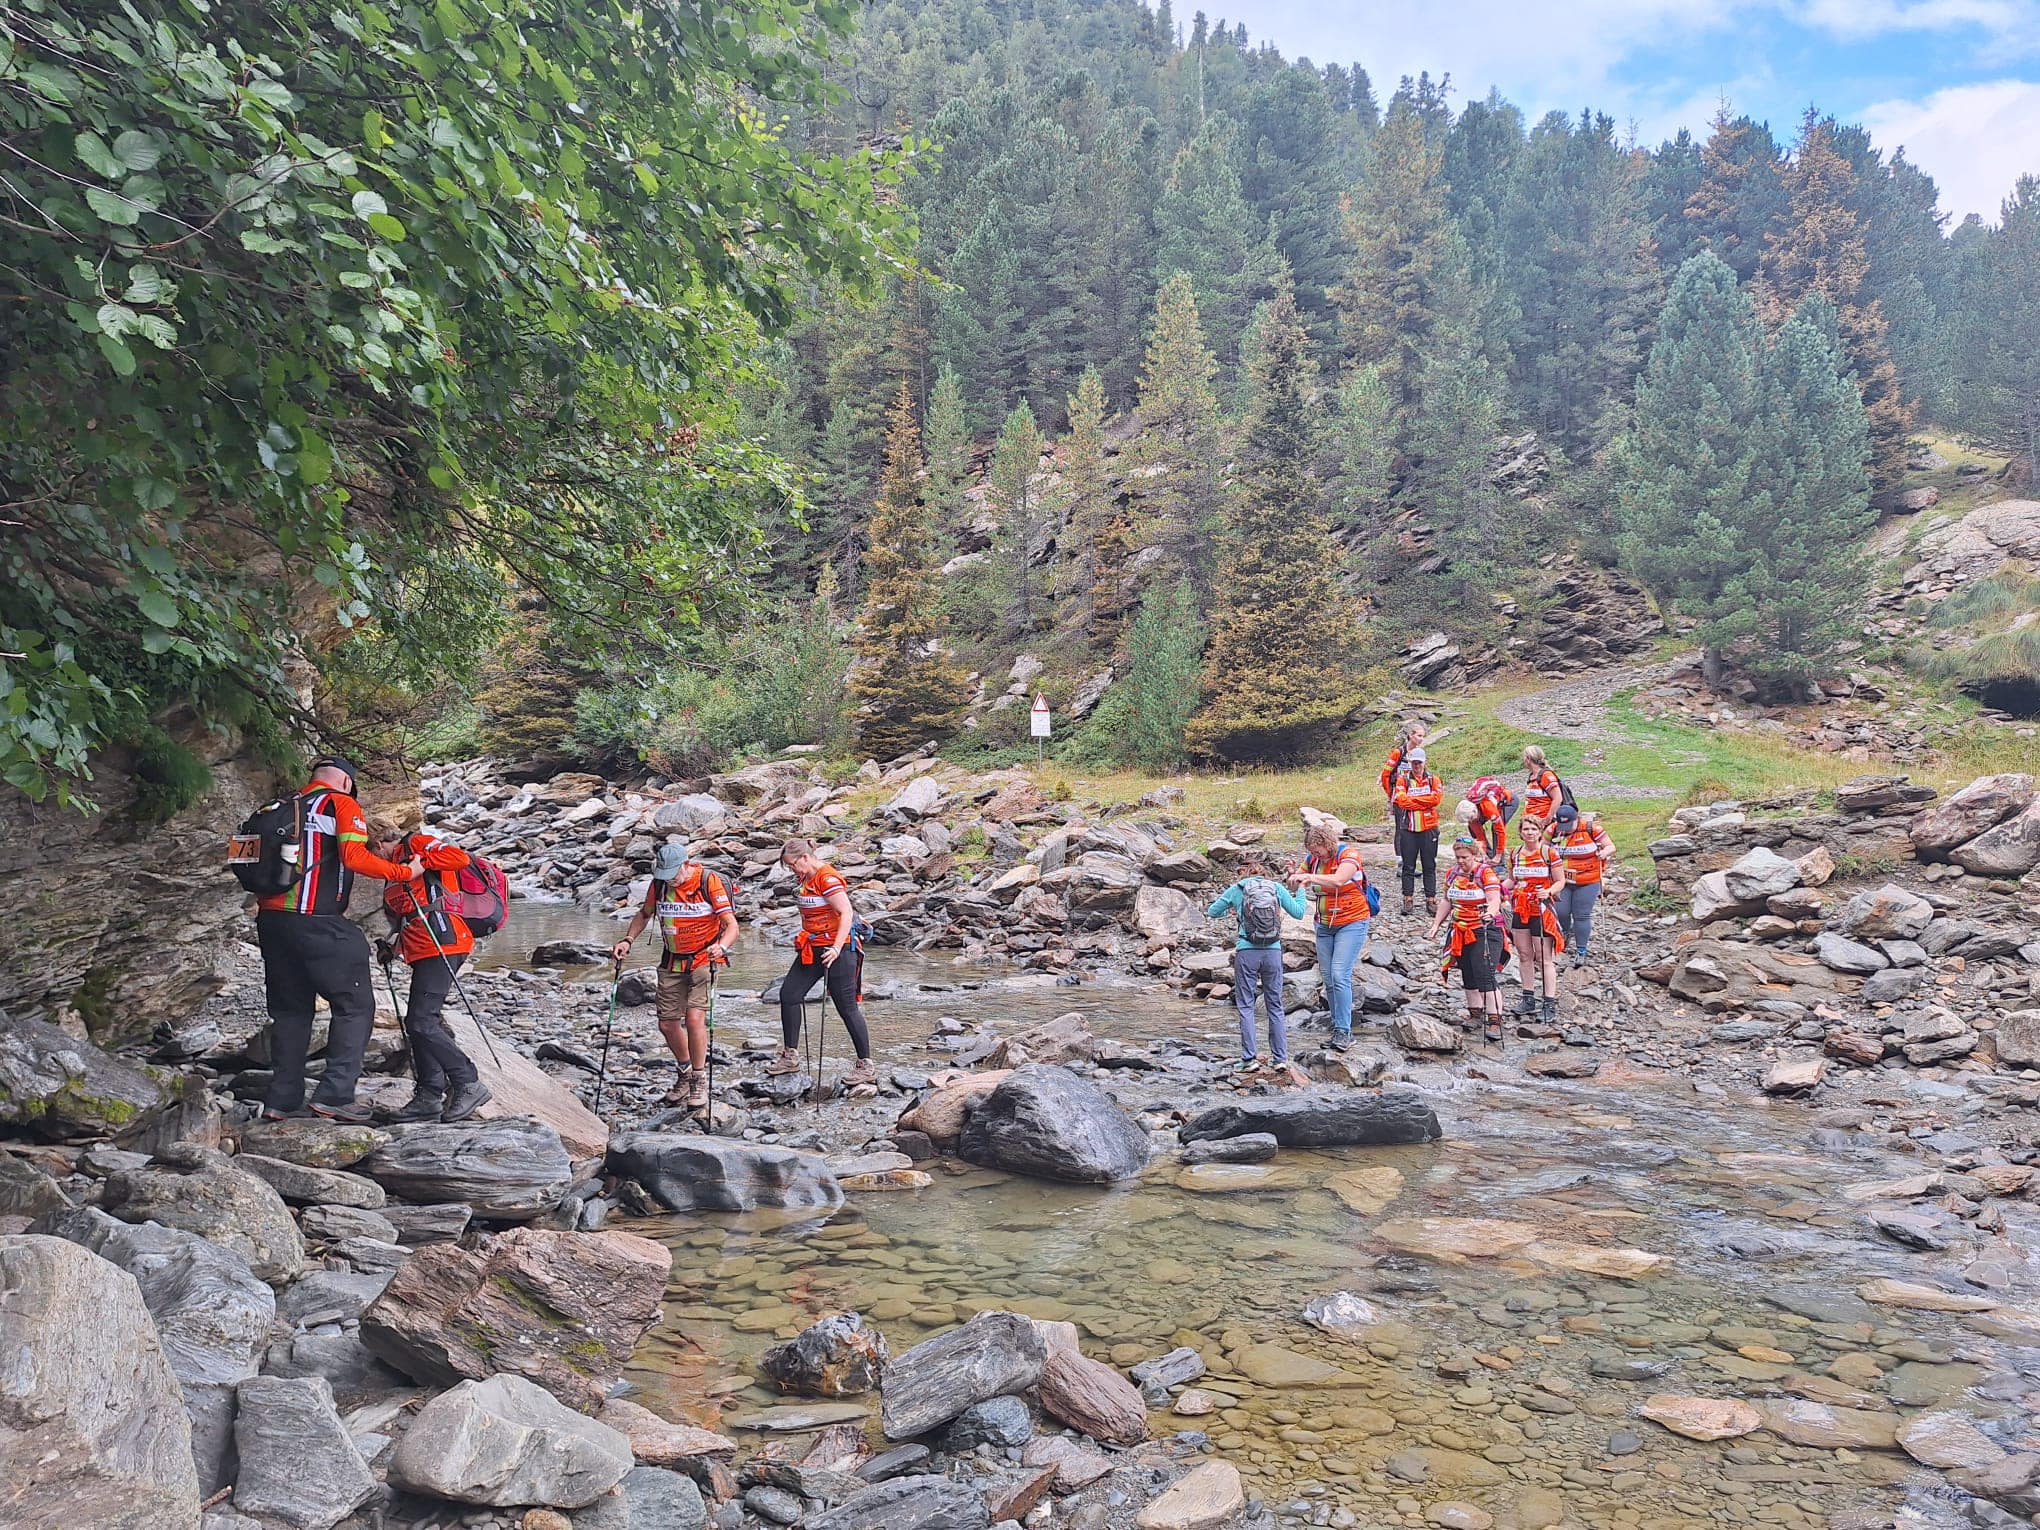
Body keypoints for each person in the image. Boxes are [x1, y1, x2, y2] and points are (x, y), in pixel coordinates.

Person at [254, 756, 422, 1123]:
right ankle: (335, 1095)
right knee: (355, 1006)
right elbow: (353, 855)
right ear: (346, 782)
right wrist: (403, 871)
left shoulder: (284, 805)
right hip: (318, 922)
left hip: (271, 922)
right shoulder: (340, 803)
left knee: (289, 1011)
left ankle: (281, 1101)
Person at [371, 822, 492, 1123]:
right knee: (420, 1022)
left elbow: (458, 858)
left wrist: (418, 863)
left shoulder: (416, 845)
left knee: (421, 1021)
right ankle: (428, 1094)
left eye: (370, 849)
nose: (372, 857)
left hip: (446, 943)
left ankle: (467, 1081)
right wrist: (393, 947)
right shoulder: (394, 870)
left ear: (378, 842)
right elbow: (411, 915)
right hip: (423, 948)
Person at [611, 842, 738, 1109]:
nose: (670, 879)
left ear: (686, 864)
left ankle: (699, 1080)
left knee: (694, 1018)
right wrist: (628, 940)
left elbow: (731, 926)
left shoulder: (708, 881)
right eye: (664, 874)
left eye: (673, 874)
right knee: (667, 1024)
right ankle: (685, 1072)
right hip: (671, 961)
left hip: (704, 959)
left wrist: (722, 946)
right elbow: (644, 914)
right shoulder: (659, 885)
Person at [771, 839, 877, 1087]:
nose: (792, 870)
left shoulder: (827, 879)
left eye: (793, 865)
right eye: (789, 867)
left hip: (838, 950)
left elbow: (846, 913)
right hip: (812, 949)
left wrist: (836, 947)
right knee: (789, 994)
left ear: (806, 858)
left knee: (846, 1007)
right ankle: (790, 1056)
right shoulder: (804, 879)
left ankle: (866, 1064)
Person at [1206, 859, 1308, 1076]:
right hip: (1272, 951)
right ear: (1264, 875)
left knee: (1246, 1005)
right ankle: (1280, 1059)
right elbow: (1299, 913)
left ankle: (1249, 1059)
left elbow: (1213, 911)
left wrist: (1232, 911)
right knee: (1275, 1005)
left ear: (1244, 875)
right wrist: (1301, 889)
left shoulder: (1238, 889)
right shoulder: (1276, 888)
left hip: (1247, 952)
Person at [1288, 823, 1372, 1051]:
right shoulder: (1313, 861)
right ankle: (1337, 1027)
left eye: (1317, 851)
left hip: (1352, 921)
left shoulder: (1349, 855)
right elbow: (1296, 882)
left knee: (1339, 973)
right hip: (1324, 924)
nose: (1315, 855)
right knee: (1328, 977)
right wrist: (1293, 878)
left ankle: (1345, 1032)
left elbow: (1337, 880)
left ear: (1328, 844)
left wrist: (1309, 878)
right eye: (1311, 851)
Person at [1430, 836, 1508, 1041]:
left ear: (1474, 855)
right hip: (1460, 928)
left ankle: (1495, 1019)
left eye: (1464, 857)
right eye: (1457, 857)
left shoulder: (1486, 873)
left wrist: (1490, 912)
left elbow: (1494, 898)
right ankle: (1475, 1013)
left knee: (1484, 972)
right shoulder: (1452, 873)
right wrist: (1436, 924)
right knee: (1468, 971)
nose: (1461, 861)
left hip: (1485, 928)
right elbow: (1447, 900)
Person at [1506, 817, 1566, 1025]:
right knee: (1524, 954)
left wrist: (1548, 891)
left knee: (1543, 957)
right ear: (1520, 832)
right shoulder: (1515, 854)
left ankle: (1549, 1002)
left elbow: (1560, 881)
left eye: (1533, 829)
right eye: (1526, 829)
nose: (1530, 833)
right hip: (1520, 908)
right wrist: (1498, 890)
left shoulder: (1549, 853)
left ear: (1540, 832)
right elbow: (1512, 880)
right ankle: (1528, 997)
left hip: (1541, 909)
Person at [1552, 805, 1615, 969]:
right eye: (1562, 826)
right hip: (1562, 880)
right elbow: (1542, 846)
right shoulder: (1553, 830)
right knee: (1561, 911)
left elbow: (1610, 846)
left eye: (1568, 826)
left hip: (1588, 880)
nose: (1565, 830)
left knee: (1581, 915)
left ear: (1576, 819)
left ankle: (1581, 950)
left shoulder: (1591, 829)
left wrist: (1604, 853)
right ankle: (1566, 932)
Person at [1390, 749, 1443, 915]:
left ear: (1424, 762)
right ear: (1410, 763)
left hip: (1429, 829)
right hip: (1409, 829)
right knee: (1408, 866)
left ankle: (1431, 899)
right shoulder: (1402, 780)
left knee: (1429, 865)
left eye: (1419, 762)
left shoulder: (1433, 779)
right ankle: (1407, 899)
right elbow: (1401, 801)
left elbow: (1436, 800)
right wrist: (1423, 803)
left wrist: (1413, 801)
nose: (1417, 766)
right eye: (1414, 763)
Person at [1378, 720, 1427, 810]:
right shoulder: (1398, 752)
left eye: (1423, 736)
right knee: (1400, 821)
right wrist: (1390, 793)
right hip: (1399, 794)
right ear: (1411, 735)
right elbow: (1385, 774)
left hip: (1414, 793)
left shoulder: (1420, 753)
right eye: (1419, 736)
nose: (1421, 739)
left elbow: (1423, 774)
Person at [1522, 746, 1566, 827]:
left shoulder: (1546, 775)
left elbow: (1558, 798)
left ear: (1528, 758)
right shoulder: (1532, 776)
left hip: (1543, 822)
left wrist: (1548, 819)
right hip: (1531, 822)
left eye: (1524, 757)